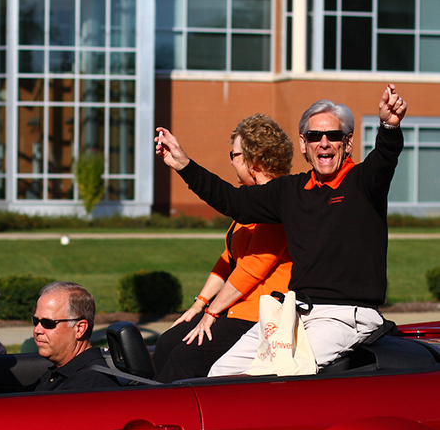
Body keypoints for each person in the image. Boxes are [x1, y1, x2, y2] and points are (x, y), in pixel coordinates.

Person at [156, 84, 407, 369]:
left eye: (333, 136)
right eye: (315, 136)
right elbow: (233, 201)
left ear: (347, 144)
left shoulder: (363, 183)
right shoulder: (291, 191)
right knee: (222, 372)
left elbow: (385, 159)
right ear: (303, 143)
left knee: (279, 370)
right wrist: (184, 165)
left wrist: (388, 126)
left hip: (346, 315)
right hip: (295, 312)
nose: (323, 142)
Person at [152, 114, 293, 382]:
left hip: (257, 316)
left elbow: (251, 270)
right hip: (233, 308)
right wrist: (199, 306)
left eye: (234, 154)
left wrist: (211, 313)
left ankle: (163, 417)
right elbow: (228, 260)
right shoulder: (249, 203)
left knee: (186, 357)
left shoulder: (278, 205)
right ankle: (141, 404)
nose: (231, 160)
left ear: (254, 160)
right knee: (168, 341)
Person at [26, 281, 118, 391]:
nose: (37, 330)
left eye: (48, 323)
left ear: (79, 329)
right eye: (36, 321)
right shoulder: (62, 370)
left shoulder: (87, 386)